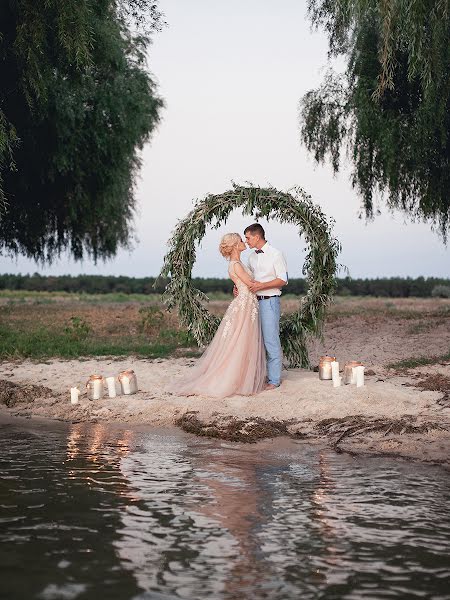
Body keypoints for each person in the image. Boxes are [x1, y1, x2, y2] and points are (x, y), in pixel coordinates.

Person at [169, 233, 266, 398]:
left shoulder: (238, 263)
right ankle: (234, 379)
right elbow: (251, 285)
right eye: (241, 240)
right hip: (244, 306)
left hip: (248, 305)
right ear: (235, 245)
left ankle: (243, 377)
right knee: (239, 342)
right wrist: (275, 283)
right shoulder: (235, 265)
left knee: (244, 341)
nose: (244, 242)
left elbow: (243, 284)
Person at [241, 223, 288, 389]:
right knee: (255, 341)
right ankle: (258, 375)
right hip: (253, 304)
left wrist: (261, 286)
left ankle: (274, 380)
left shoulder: (276, 254)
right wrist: (239, 288)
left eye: (247, 237)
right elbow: (249, 279)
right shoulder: (252, 257)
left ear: (257, 236)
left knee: (270, 341)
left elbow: (283, 280)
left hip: (269, 302)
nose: (246, 241)